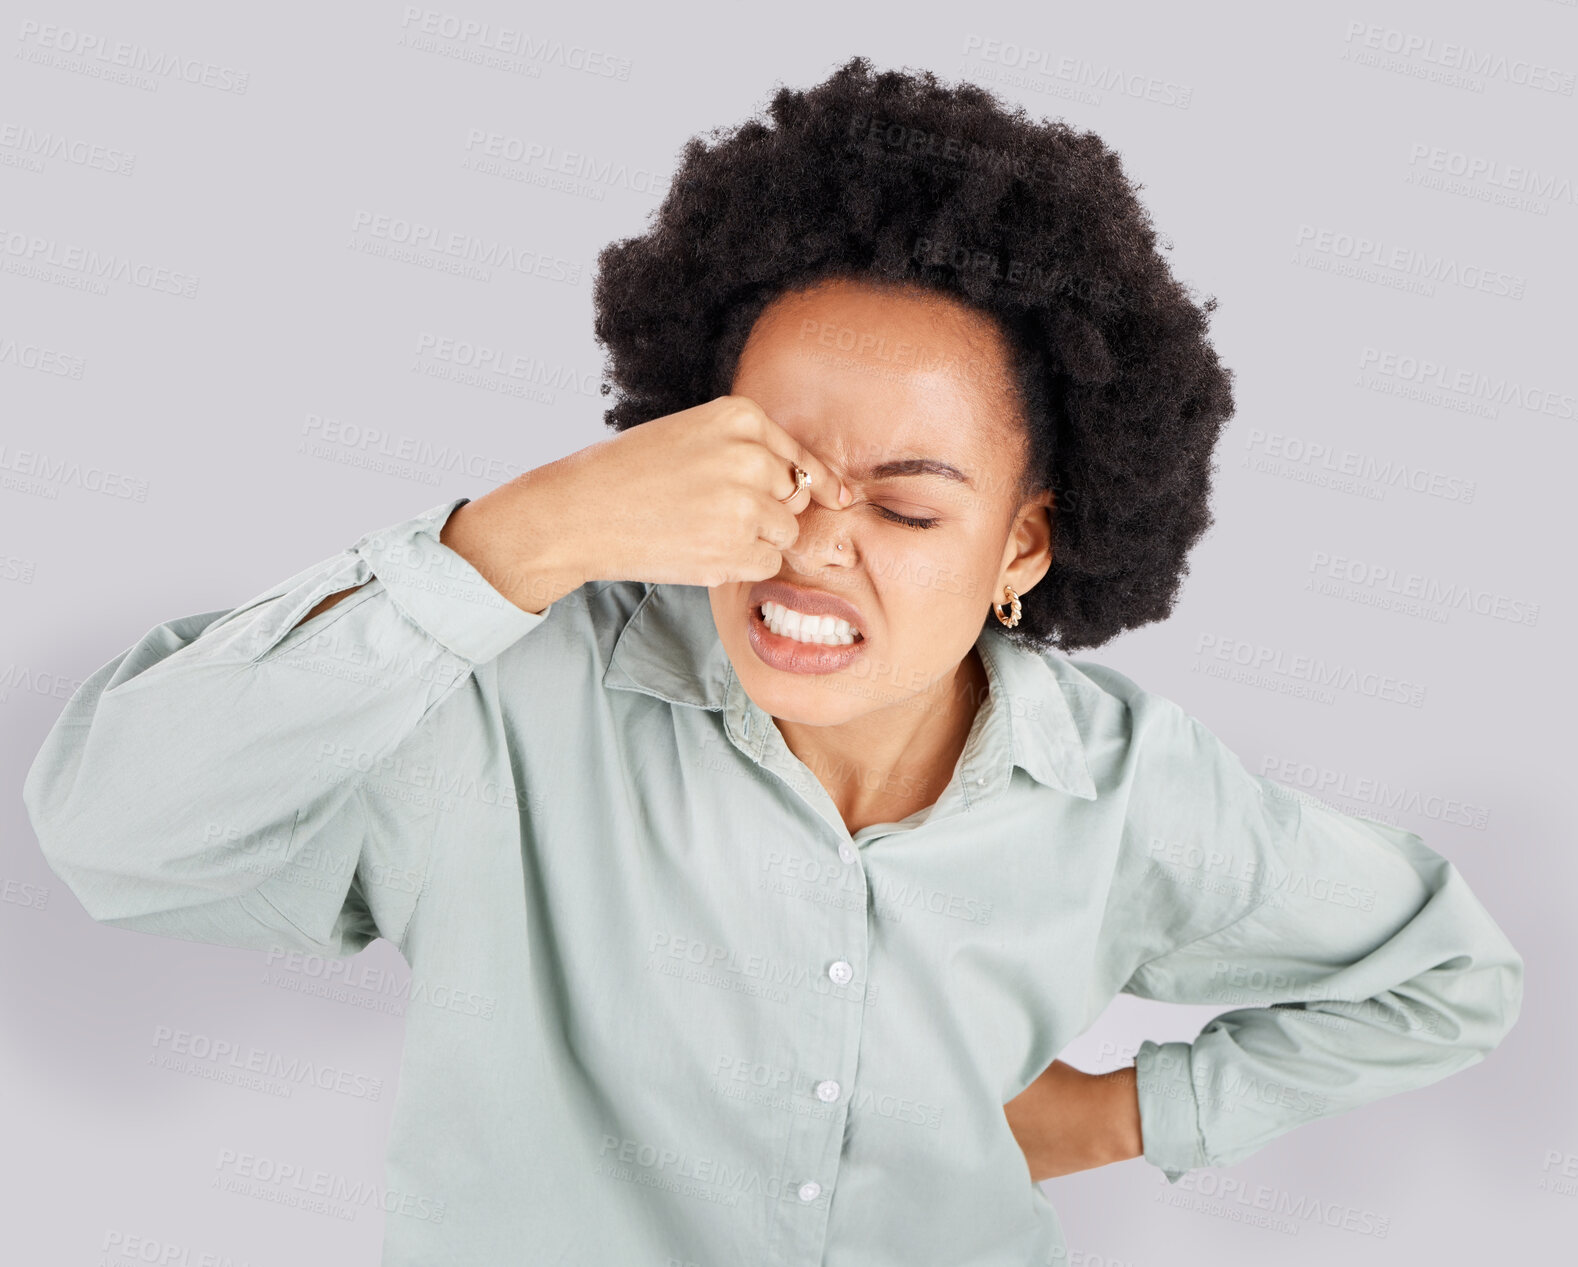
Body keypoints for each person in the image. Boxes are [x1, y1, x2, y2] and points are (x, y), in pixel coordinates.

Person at [23, 57, 1521, 1266]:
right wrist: (515, 541)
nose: (813, 546)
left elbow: (1446, 978)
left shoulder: (1121, 787)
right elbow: (117, 833)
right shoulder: (508, 700)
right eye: (776, 473)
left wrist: (1130, 1111)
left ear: (1022, 546)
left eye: (907, 503)